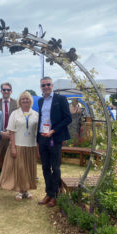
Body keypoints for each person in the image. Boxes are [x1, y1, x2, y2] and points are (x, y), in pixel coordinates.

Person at [37, 76, 72, 207]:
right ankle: (49, 193)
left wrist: (54, 130)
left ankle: (56, 195)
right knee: (45, 167)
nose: (46, 87)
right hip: (42, 138)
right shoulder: (40, 101)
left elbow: (68, 119)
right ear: (40, 87)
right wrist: (38, 139)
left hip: (54, 138)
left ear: (52, 86)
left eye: (48, 85)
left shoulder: (60, 99)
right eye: (43, 85)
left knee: (55, 168)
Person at [0, 91, 39, 200]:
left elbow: (37, 132)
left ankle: (26, 190)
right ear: (19, 101)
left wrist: (38, 148)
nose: (25, 100)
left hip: (31, 146)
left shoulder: (35, 114)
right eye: (23, 99)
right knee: (20, 169)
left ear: (30, 101)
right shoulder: (15, 113)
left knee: (29, 169)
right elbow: (11, 131)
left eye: (27, 99)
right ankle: (20, 191)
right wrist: (13, 147)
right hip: (18, 145)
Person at [0, 82, 18, 172]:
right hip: (0, 135)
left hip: (13, 135)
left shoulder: (16, 104)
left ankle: (10, 174)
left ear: (11, 91)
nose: (6, 91)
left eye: (8, 90)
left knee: (12, 156)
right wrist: (0, 132)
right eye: (4, 90)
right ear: (1, 91)